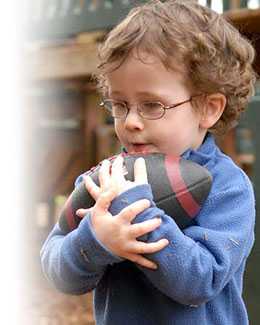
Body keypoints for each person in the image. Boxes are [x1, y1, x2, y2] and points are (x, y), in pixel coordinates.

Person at [40, 1, 256, 324]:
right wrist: (95, 241)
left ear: (209, 108)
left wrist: (139, 214)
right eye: (120, 105)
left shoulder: (229, 187)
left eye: (152, 105)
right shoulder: (108, 180)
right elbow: (55, 263)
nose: (131, 122)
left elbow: (201, 280)